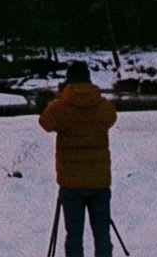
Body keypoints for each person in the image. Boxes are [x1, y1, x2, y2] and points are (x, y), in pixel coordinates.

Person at [38, 61, 119, 257]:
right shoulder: (102, 106)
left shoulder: (61, 106)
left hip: (71, 183)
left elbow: (45, 122)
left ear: (69, 81)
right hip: (99, 182)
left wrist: (61, 96)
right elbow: (112, 118)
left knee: (74, 236)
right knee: (102, 235)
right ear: (89, 80)